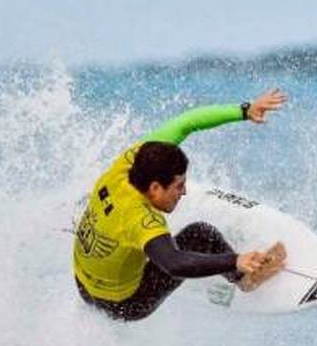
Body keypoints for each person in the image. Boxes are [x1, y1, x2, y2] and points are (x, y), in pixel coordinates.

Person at [73, 88, 289, 321]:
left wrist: (245, 110)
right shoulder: (141, 220)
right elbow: (173, 263)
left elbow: (185, 123)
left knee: (96, 209)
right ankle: (245, 280)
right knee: (200, 235)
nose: (184, 191)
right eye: (178, 186)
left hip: (82, 284)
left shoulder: (126, 164)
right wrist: (235, 260)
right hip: (124, 305)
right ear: (155, 187)